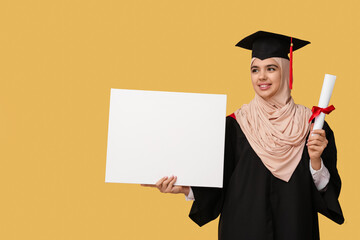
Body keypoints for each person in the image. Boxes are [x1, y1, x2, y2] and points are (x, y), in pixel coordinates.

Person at [142, 31, 344, 240]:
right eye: (255, 69)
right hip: (241, 231)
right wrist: (184, 188)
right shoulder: (234, 125)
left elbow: (326, 193)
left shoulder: (311, 126)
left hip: (295, 230)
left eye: (271, 68)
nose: (262, 77)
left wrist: (315, 160)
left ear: (286, 71)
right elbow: (217, 186)